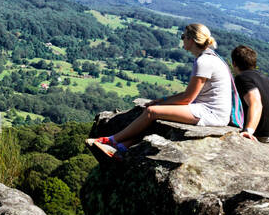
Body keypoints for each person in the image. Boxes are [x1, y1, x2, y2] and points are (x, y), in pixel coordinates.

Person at [87, 22, 233, 158]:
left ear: (191, 40)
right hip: (208, 109)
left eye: (183, 36)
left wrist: (160, 104)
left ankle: (110, 141)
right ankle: (122, 148)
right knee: (157, 115)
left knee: (152, 112)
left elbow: (188, 97)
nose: (182, 40)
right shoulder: (209, 58)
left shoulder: (204, 62)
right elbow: (188, 95)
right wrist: (162, 101)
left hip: (211, 113)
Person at [230, 45, 269, 142]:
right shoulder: (261, 76)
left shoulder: (241, 78)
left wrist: (249, 131)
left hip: (264, 132)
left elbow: (256, 103)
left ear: (234, 63)